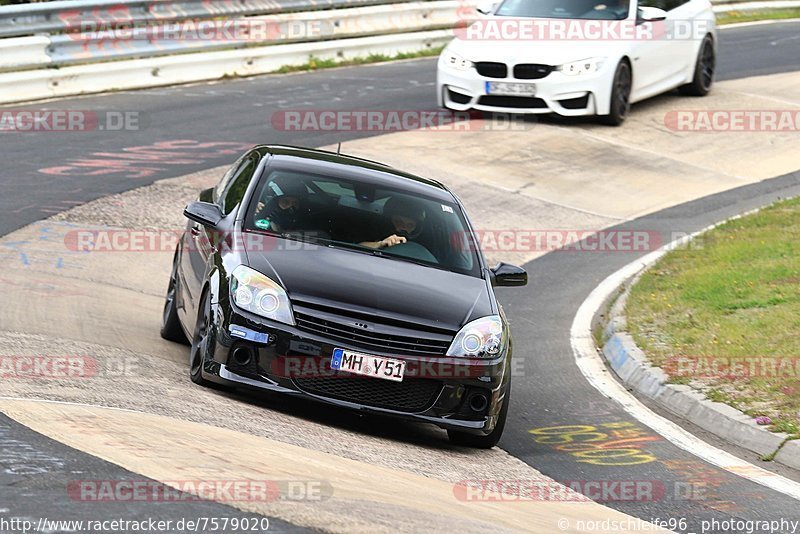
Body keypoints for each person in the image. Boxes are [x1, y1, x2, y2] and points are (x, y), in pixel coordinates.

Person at [360, 196, 427, 249]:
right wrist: (380, 244)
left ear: (415, 229)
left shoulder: (419, 248)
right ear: (388, 220)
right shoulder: (374, 231)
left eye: (410, 225)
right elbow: (358, 247)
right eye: (399, 222)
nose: (403, 228)